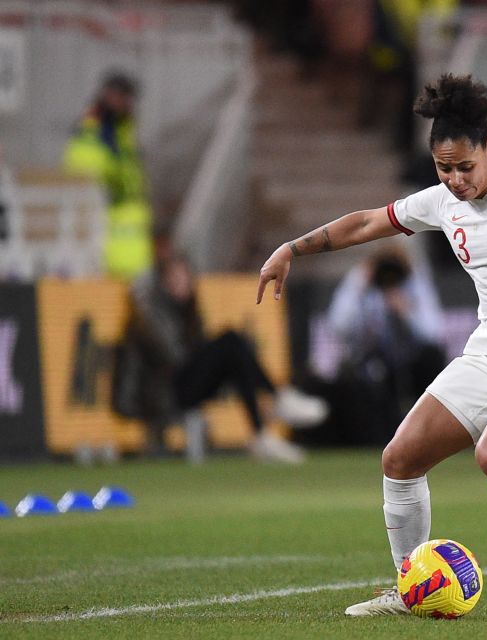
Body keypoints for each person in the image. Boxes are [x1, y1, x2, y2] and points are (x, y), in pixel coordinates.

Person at [258, 74, 487, 615]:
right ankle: (411, 588)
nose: (455, 180)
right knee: (400, 459)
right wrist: (292, 247)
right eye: (444, 168)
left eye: (464, 167)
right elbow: (367, 223)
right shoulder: (440, 202)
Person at [114, 247, 329, 464]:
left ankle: (263, 431)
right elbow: (173, 356)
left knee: (235, 355)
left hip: (182, 384)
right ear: (163, 282)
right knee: (230, 341)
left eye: (184, 276)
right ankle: (277, 401)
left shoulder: (186, 309)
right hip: (163, 392)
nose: (181, 283)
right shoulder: (151, 313)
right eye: (174, 278)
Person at [325, 245, 447, 444]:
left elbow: (433, 333)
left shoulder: (413, 282)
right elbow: (339, 326)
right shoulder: (362, 284)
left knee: (432, 357)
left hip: (412, 362)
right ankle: (372, 436)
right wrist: (359, 287)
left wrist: (406, 313)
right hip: (374, 362)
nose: (389, 279)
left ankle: (433, 431)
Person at [63, 70, 154, 281]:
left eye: (128, 97)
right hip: (105, 249)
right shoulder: (95, 130)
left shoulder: (123, 134)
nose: (126, 103)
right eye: (121, 96)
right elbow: (86, 175)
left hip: (132, 251)